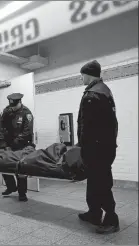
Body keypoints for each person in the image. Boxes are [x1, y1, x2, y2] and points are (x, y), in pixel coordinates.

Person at [77, 60, 119, 234]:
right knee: (95, 182)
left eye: (82, 75)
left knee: (100, 183)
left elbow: (88, 127)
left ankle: (111, 219)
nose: (81, 79)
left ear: (88, 74)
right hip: (105, 146)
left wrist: (83, 147)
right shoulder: (104, 90)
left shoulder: (93, 95)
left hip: (96, 149)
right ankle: (94, 213)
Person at [0, 93, 34, 202]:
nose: (12, 108)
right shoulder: (7, 111)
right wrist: (3, 143)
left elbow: (27, 132)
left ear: (19, 103)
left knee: (21, 168)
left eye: (14, 106)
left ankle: (22, 193)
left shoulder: (27, 113)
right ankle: (11, 186)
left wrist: (14, 143)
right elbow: (0, 126)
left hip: (21, 144)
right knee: (2, 164)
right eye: (11, 106)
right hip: (7, 144)